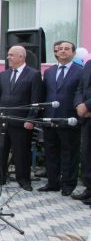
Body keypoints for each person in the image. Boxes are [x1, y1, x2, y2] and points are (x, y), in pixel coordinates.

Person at [0, 45, 43, 191]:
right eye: (8, 55)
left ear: (21, 56)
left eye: (11, 55)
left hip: (21, 121)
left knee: (21, 152)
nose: (8, 58)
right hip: (2, 120)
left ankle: (23, 179)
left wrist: (31, 119)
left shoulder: (33, 74)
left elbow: (35, 99)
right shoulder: (3, 75)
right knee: (1, 150)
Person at [38, 41, 83, 196]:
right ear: (56, 53)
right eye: (60, 49)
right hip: (50, 118)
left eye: (67, 49)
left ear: (73, 53)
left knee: (69, 153)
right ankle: (52, 182)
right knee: (51, 152)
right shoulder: (50, 72)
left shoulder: (80, 71)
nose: (63, 51)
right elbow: (44, 94)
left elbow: (81, 93)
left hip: (70, 118)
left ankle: (68, 184)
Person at [73, 58, 91, 204]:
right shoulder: (89, 64)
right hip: (86, 118)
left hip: (88, 110)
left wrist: (88, 106)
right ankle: (89, 189)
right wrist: (79, 104)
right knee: (87, 155)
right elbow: (80, 88)